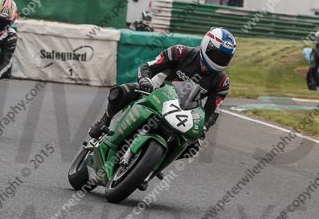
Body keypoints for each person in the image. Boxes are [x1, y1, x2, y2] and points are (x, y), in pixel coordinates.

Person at [88, 27, 236, 156]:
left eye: (225, 58)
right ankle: (104, 121)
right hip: (155, 92)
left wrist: (203, 127)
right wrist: (145, 80)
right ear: (207, 46)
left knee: (192, 146)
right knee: (120, 91)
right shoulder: (181, 52)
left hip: (183, 111)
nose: (220, 60)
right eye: (218, 55)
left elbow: (212, 111)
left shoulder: (221, 81)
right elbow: (148, 66)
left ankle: (152, 168)